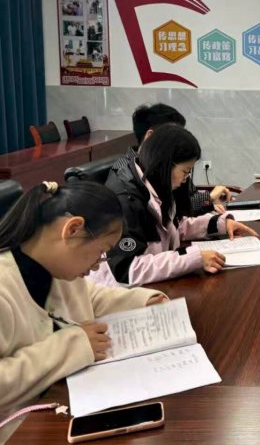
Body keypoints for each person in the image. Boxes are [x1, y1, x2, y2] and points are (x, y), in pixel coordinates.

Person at [0, 181, 165, 442]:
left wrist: (144, 301)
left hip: (66, 401)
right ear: (73, 229)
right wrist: (72, 345)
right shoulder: (4, 287)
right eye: (101, 252)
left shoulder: (57, 268)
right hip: (19, 429)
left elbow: (90, 297)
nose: (98, 266)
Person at [91, 125, 257, 287]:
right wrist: (192, 259)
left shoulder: (156, 184)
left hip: (155, 283)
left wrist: (219, 223)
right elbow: (127, 270)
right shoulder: (126, 199)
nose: (186, 179)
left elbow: (173, 226)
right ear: (165, 164)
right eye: (185, 171)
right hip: (119, 292)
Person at [116, 103, 235, 215]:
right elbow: (172, 211)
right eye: (172, 136)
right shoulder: (125, 176)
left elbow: (182, 203)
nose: (179, 141)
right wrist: (209, 198)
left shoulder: (171, 164)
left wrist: (210, 206)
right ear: (150, 136)